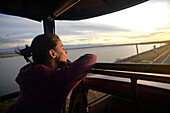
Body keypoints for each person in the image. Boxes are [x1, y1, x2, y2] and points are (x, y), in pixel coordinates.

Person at [5, 34, 97, 113]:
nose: (66, 51)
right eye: (62, 48)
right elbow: (90, 58)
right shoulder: (52, 78)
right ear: (52, 53)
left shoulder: (29, 71)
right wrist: (66, 63)